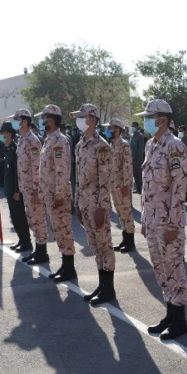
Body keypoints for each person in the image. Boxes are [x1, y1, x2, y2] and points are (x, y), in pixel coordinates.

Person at [135, 99, 187, 339]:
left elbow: (180, 188)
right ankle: (170, 313)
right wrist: (145, 220)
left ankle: (180, 321)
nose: (146, 121)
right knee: (160, 269)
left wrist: (173, 224)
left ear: (162, 120)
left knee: (174, 268)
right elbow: (147, 187)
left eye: (150, 117)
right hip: (153, 221)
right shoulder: (150, 145)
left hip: (168, 223)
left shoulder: (174, 146)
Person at [71, 104, 117, 305]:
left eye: (82, 117)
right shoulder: (79, 145)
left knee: (104, 245)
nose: (78, 120)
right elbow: (78, 178)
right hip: (84, 204)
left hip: (98, 206)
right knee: (95, 246)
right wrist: (77, 205)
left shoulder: (102, 146)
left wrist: (102, 208)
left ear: (93, 119)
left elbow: (105, 180)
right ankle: (102, 284)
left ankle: (109, 289)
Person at [35, 105, 76, 282]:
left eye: (43, 118)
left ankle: (69, 268)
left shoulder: (59, 140)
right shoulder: (49, 139)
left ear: (51, 120)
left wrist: (59, 195)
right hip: (50, 194)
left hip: (58, 196)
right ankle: (65, 264)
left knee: (64, 230)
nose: (41, 121)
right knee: (57, 231)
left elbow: (62, 171)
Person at [13, 109, 49, 265]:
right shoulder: (22, 139)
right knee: (32, 220)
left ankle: (42, 252)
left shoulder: (33, 141)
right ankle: (38, 250)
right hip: (25, 188)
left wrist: (36, 190)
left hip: (33, 189)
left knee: (38, 219)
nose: (14, 122)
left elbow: (36, 166)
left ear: (25, 121)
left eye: (17, 119)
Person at [0, 121, 32, 253]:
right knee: (14, 217)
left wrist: (18, 190)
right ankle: (21, 240)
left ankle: (26, 242)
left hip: (15, 190)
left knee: (19, 216)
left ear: (10, 134)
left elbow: (18, 172)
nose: (2, 135)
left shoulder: (14, 149)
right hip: (9, 189)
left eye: (3, 133)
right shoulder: (7, 149)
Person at [104, 118, 136, 253]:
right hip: (114, 185)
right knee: (120, 213)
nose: (108, 130)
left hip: (122, 186)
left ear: (118, 129)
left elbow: (127, 167)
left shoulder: (124, 145)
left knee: (126, 213)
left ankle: (130, 242)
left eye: (111, 128)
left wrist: (125, 186)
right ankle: (125, 239)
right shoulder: (112, 145)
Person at [130, 121, 146, 194]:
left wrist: (139, 159)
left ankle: (140, 188)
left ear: (137, 127)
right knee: (134, 174)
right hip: (132, 158)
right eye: (132, 126)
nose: (132, 127)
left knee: (139, 174)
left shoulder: (140, 136)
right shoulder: (132, 135)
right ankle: (136, 187)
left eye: (134, 126)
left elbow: (141, 148)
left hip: (138, 159)